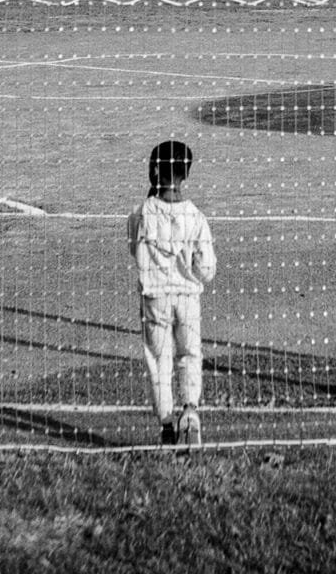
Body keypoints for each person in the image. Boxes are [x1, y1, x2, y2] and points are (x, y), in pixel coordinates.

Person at [127, 139, 216, 448]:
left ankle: (166, 422)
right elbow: (206, 269)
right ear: (186, 175)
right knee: (190, 354)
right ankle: (190, 412)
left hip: (154, 297)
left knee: (158, 359)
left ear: (154, 170)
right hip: (187, 298)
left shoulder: (141, 213)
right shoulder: (196, 217)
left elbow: (132, 248)